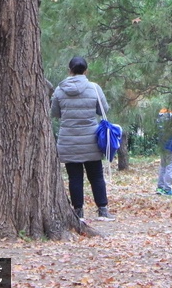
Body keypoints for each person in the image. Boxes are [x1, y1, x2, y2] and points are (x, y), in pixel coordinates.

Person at [50, 56, 116, 222]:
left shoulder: (59, 89)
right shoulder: (94, 88)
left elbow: (55, 113)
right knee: (96, 176)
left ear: (69, 70)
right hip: (91, 140)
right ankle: (102, 210)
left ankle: (78, 211)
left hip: (68, 140)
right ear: (86, 70)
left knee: (75, 177)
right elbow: (103, 110)